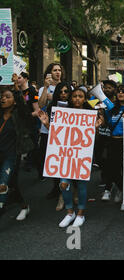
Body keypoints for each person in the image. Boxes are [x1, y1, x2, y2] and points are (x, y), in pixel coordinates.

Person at [38, 88, 103, 228]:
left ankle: (80, 213)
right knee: (63, 184)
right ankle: (69, 212)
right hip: (66, 155)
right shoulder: (62, 114)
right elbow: (57, 134)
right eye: (74, 96)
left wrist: (96, 128)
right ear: (70, 98)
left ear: (85, 99)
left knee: (81, 184)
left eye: (80, 96)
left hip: (82, 155)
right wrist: (46, 124)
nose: (77, 99)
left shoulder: (90, 114)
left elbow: (94, 138)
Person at [0, 76, 35, 220]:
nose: (3, 99)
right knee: (12, 184)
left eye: (7, 97)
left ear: (14, 101)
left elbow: (24, 107)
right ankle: (24, 206)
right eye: (2, 97)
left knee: (2, 185)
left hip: (11, 156)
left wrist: (16, 88)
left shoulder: (19, 114)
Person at [101, 85, 124, 211]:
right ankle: (122, 190)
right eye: (118, 91)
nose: (120, 93)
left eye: (123, 91)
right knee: (113, 170)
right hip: (113, 142)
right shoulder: (112, 109)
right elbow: (108, 124)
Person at [41, 82, 72, 210]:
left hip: (71, 142)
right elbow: (51, 128)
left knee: (70, 168)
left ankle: (68, 193)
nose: (63, 94)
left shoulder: (74, 105)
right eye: (61, 92)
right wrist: (47, 124)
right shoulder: (51, 107)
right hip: (56, 141)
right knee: (57, 168)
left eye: (66, 91)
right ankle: (60, 193)